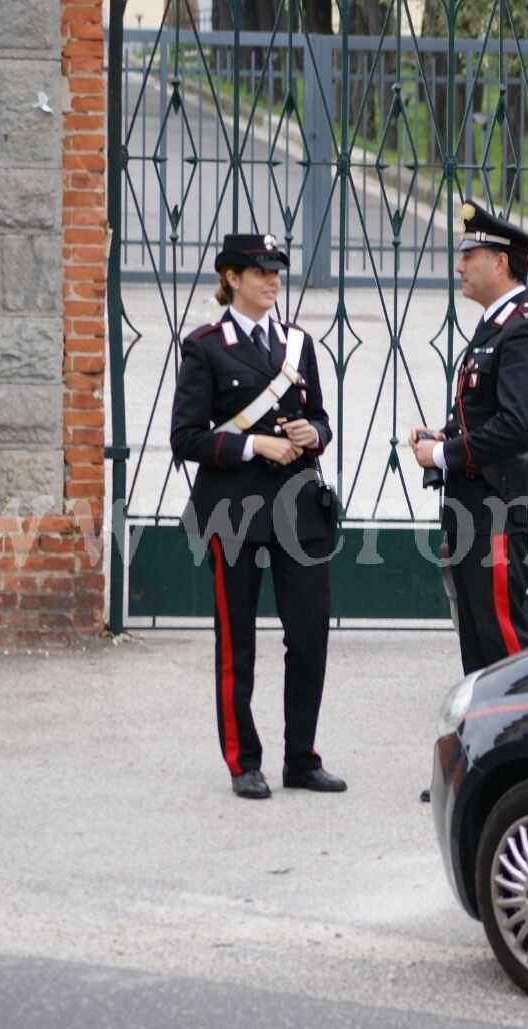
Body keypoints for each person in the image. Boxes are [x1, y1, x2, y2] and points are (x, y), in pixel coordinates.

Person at [169, 233, 346, 800]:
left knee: (310, 635)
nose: (272, 280)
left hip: (298, 511)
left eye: (277, 270)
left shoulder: (298, 344)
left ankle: (302, 757)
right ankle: (243, 760)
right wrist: (254, 447)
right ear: (230, 279)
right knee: (236, 641)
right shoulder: (204, 347)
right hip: (233, 510)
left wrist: (310, 433)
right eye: (258, 270)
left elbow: (320, 418)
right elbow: (187, 438)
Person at [408, 201, 528, 674]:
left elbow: (515, 427)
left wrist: (442, 452)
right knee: (477, 642)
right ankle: (484, 741)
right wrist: (448, 434)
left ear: (500, 262)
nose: (459, 266)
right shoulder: (497, 326)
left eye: (468, 256)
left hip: (500, 505)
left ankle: (523, 739)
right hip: (474, 504)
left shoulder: (527, 332)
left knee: (502, 640)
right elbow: (489, 412)